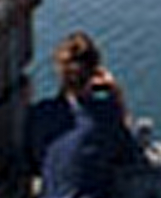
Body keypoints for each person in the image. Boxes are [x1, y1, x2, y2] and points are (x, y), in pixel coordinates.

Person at [24, 31, 141, 198]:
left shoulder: (39, 114)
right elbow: (129, 154)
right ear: (94, 73)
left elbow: (35, 162)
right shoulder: (104, 114)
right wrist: (117, 95)